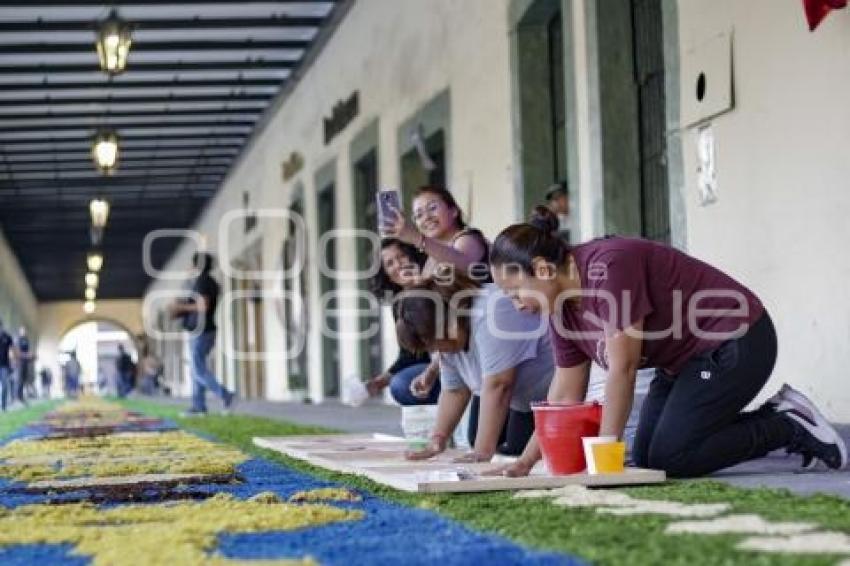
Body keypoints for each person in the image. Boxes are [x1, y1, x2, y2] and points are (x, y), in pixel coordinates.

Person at [486, 206, 847, 477]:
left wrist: (603, 465)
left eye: (516, 292)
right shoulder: (560, 312)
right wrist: (524, 462)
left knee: (675, 457)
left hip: (736, 338)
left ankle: (787, 424)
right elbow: (564, 393)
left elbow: (623, 370)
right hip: (684, 362)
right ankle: (769, 423)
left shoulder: (608, 267)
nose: (518, 305)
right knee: (650, 459)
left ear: (545, 270)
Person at [395, 272, 554, 459]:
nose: (439, 349)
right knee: (505, 446)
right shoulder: (448, 336)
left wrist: (481, 453)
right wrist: (438, 439)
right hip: (527, 401)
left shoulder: (492, 312)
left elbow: (500, 385)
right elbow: (455, 390)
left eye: (436, 341)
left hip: (559, 391)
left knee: (524, 452)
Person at [382, 185, 492, 399]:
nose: (426, 217)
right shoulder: (431, 258)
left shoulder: (467, 239)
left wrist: (416, 238)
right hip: (459, 350)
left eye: (433, 208)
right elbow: (436, 320)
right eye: (418, 215)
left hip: (487, 339)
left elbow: (464, 264)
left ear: (454, 211)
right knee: (404, 385)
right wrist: (431, 372)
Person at [365, 238, 438, 405]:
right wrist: (378, 382)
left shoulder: (435, 284)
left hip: (451, 362)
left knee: (401, 384)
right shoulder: (399, 303)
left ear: (413, 256)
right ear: (386, 275)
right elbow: (409, 355)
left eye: (402, 256)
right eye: (390, 263)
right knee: (401, 384)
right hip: (429, 366)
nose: (398, 265)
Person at [169, 252, 235, 416]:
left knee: (198, 370)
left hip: (202, 331)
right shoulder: (202, 282)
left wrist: (181, 308)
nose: (189, 268)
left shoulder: (203, 281)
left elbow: (203, 306)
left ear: (197, 265)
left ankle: (225, 394)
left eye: (191, 264)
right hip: (201, 331)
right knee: (196, 369)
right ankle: (198, 406)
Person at [14, 326, 33, 406]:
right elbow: (17, 352)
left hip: (25, 363)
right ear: (20, 331)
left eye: (24, 330)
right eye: (22, 330)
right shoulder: (18, 340)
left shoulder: (26, 340)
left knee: (24, 380)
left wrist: (30, 356)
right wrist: (26, 355)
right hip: (20, 362)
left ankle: (21, 397)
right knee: (19, 380)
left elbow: (28, 351)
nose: (24, 332)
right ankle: (17, 397)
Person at [0, 319, 13, 411]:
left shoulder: (7, 337)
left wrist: (13, 363)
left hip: (4, 365)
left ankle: (3, 406)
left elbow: (12, 350)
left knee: (5, 385)